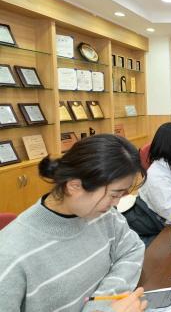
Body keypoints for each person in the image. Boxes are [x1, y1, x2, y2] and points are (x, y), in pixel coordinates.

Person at [0, 134, 147, 312]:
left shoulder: (104, 215)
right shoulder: (10, 255)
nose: (115, 203)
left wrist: (100, 303)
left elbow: (132, 249)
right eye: (114, 195)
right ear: (74, 186)